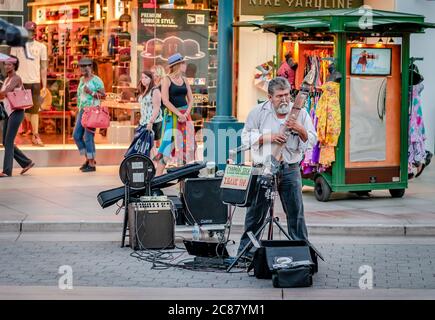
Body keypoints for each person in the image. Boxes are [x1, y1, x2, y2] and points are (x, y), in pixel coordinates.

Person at [238, 77, 317, 255]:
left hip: (290, 169)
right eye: (279, 96)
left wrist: (300, 129)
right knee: (255, 215)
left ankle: (301, 254)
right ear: (270, 97)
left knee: (296, 214)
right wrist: (269, 137)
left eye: (287, 95)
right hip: (263, 168)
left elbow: (312, 140)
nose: (284, 99)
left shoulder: (301, 114)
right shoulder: (258, 112)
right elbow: (245, 138)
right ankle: (246, 253)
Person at [154, 53, 195, 176]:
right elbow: (165, 101)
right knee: (167, 145)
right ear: (177, 65)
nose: (185, 65)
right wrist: (179, 114)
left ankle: (183, 183)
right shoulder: (166, 79)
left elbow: (191, 99)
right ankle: (157, 179)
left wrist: (186, 113)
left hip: (185, 115)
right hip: (172, 116)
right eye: (183, 63)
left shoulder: (185, 79)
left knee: (186, 146)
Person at [10, 21, 47, 147]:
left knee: (35, 111)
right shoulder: (16, 46)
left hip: (35, 83)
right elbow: (11, 65)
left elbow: (43, 67)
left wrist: (45, 85)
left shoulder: (42, 47)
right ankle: (12, 136)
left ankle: (35, 135)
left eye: (33, 31)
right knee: (21, 111)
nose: (31, 33)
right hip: (20, 82)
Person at [0, 55, 35, 177]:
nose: (6, 66)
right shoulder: (6, 79)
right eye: (5, 64)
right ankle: (27, 162)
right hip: (8, 112)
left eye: (9, 64)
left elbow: (4, 93)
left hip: (17, 112)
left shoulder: (16, 78)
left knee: (8, 141)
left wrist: (2, 93)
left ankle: (6, 171)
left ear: (14, 66)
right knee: (5, 141)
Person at [73, 57, 106, 172]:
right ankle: (88, 159)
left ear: (91, 67)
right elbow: (79, 95)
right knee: (76, 135)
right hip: (82, 111)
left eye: (85, 66)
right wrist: (77, 107)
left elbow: (103, 95)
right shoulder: (82, 80)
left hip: (92, 110)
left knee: (88, 137)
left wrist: (91, 92)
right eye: (81, 66)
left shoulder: (97, 80)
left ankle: (91, 164)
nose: (82, 68)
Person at [137, 70, 163, 159]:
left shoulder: (155, 90)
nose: (143, 80)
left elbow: (157, 107)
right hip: (143, 121)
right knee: (145, 145)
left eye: (146, 77)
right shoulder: (145, 90)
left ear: (151, 79)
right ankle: (148, 163)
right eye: (142, 77)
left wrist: (151, 122)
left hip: (152, 122)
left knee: (151, 145)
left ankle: (155, 164)